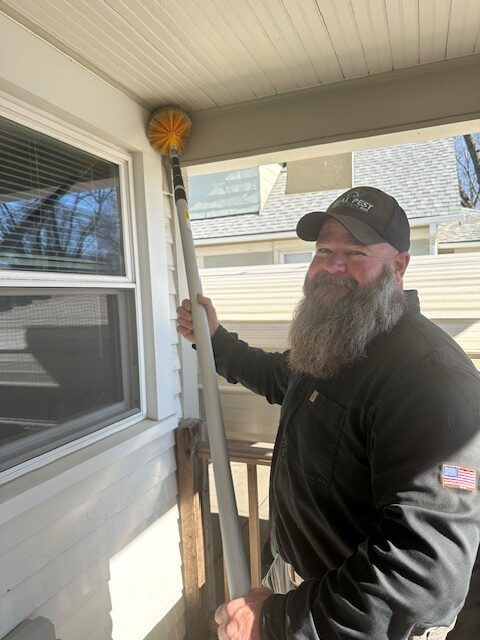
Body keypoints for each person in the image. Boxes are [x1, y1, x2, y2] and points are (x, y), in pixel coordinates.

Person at [176, 187, 480, 640]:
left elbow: (423, 574)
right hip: (301, 582)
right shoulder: (342, 340)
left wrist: (279, 621)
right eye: (324, 250)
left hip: (358, 621)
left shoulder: (429, 379)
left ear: (398, 266)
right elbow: (283, 378)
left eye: (355, 252)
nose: (332, 267)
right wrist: (216, 341)